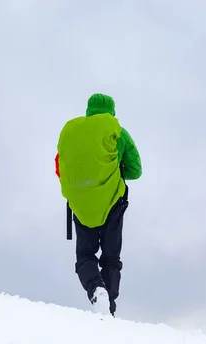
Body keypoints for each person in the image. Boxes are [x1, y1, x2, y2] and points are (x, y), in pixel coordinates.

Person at [54, 93, 142, 316]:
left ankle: (96, 290)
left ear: (88, 109)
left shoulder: (72, 133)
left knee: (85, 256)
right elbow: (135, 170)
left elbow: (61, 167)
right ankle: (109, 307)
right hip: (113, 202)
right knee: (111, 257)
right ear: (111, 111)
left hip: (81, 204)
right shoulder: (117, 132)